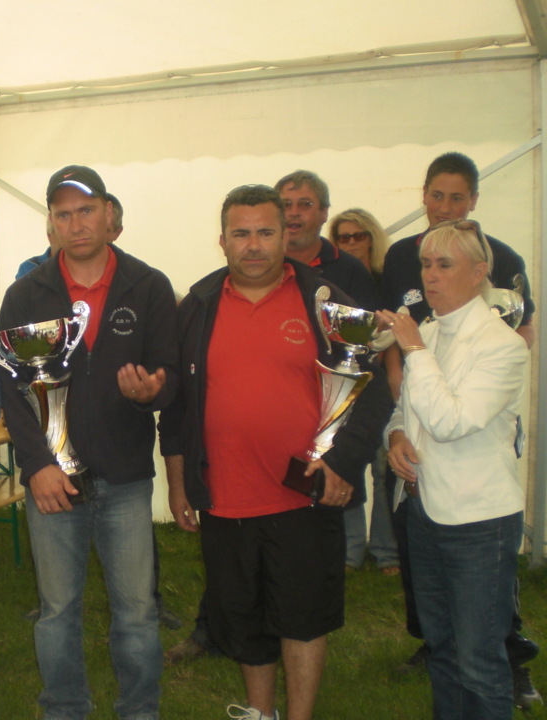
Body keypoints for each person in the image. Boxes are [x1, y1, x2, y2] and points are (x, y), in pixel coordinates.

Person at [159, 185, 391, 720]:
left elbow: (373, 385)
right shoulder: (196, 308)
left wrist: (344, 461)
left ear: (286, 235)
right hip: (225, 496)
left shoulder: (325, 301)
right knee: (243, 619)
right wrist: (177, 484)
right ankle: (260, 713)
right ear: (222, 241)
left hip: (303, 496)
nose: (254, 245)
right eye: (241, 234)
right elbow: (177, 406)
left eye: (266, 232)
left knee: (303, 618)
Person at [0, 165, 178, 720]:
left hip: (124, 478)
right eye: (63, 214)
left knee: (136, 613)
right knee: (57, 611)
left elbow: (171, 373)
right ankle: (65, 709)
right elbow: (12, 388)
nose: (76, 224)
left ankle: (140, 710)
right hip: (54, 483)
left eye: (86, 211)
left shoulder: (148, 286)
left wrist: (152, 393)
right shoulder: (27, 293)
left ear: (108, 215)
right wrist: (36, 466)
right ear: (51, 224)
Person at [380, 151, 540, 708]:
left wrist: (414, 350)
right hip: (424, 509)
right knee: (443, 651)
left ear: (479, 275)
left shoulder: (500, 345)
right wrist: (396, 439)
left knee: (478, 660)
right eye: (426, 264)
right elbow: (409, 410)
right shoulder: (429, 329)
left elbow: (449, 423)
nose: (430, 275)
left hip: (477, 520)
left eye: (445, 266)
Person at [328, 209, 399, 573]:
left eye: (359, 236)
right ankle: (351, 551)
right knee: (349, 461)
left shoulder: (386, 280)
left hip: (387, 382)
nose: (352, 243)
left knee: (387, 468)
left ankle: (387, 552)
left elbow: (393, 337)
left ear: (372, 237)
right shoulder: (336, 281)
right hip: (350, 380)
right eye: (343, 237)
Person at [274, 170, 379, 311]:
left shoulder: (351, 271)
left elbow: (366, 329)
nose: (294, 213)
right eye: (286, 205)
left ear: (324, 212)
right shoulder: (259, 265)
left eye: (305, 204)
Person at [15, 192, 124, 280]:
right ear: (50, 235)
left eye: (106, 230)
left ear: (117, 233)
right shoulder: (31, 271)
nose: (76, 232)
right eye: (63, 215)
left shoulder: (130, 273)